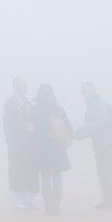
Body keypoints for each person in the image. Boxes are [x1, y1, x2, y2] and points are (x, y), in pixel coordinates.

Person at [76, 82, 112, 210]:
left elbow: (100, 123)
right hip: (100, 145)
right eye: (83, 92)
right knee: (103, 173)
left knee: (109, 173)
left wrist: (80, 132)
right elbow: (93, 126)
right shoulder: (92, 106)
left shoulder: (101, 105)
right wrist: (79, 134)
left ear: (93, 91)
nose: (84, 94)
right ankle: (107, 200)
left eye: (86, 91)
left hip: (109, 145)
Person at [30, 84, 72, 214]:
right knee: (57, 177)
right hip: (58, 148)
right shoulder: (58, 109)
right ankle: (57, 207)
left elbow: (32, 131)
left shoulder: (36, 110)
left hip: (43, 149)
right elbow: (69, 127)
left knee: (46, 178)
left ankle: (48, 207)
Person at [2, 77, 39, 209]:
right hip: (16, 143)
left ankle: (27, 198)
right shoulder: (10, 103)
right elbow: (7, 124)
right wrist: (13, 139)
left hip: (28, 143)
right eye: (22, 85)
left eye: (26, 85)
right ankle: (16, 200)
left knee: (27, 169)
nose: (25, 88)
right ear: (15, 86)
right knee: (17, 170)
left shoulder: (27, 102)